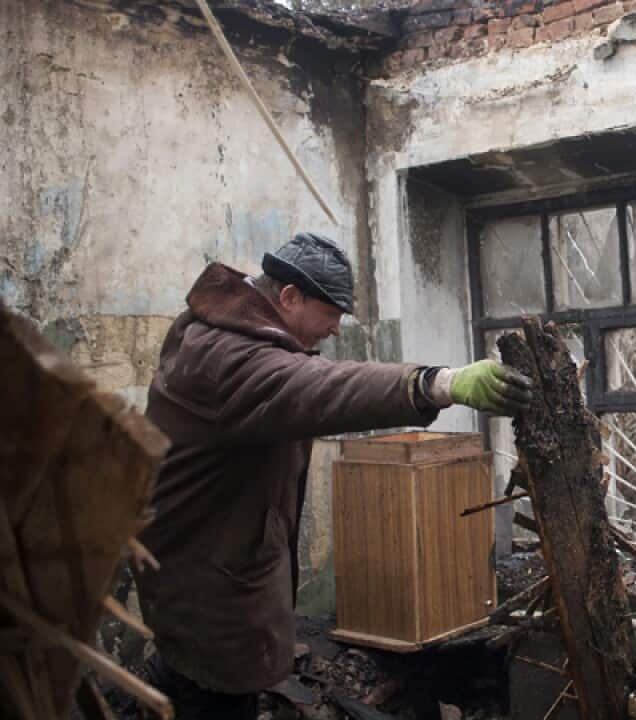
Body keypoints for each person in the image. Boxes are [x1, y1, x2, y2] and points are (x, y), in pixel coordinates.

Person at [135, 233, 532, 718]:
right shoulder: (227, 358)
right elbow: (321, 387)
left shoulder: (225, 335)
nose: (335, 331)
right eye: (331, 317)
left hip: (198, 560)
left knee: (187, 674)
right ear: (289, 297)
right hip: (205, 579)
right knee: (216, 695)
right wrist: (437, 383)